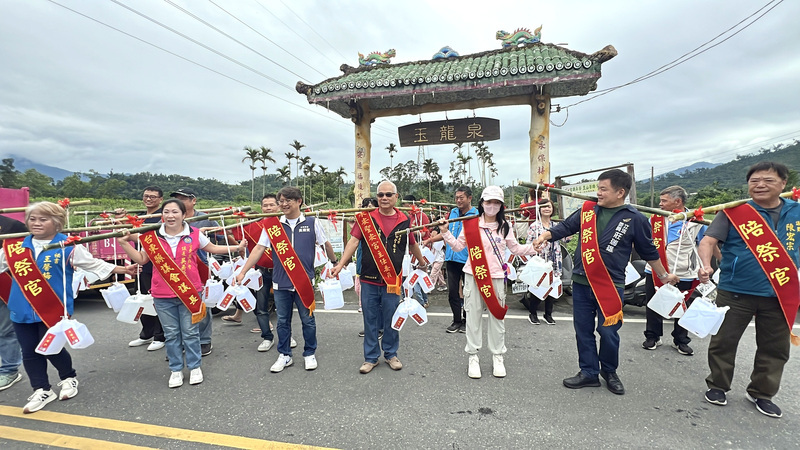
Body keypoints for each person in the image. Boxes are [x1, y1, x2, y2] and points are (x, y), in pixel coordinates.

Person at [532, 169, 678, 395]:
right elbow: (565, 228)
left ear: (620, 192)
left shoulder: (634, 218)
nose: (598, 193)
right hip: (582, 282)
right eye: (597, 188)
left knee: (608, 331)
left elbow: (649, 251)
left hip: (611, 285)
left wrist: (662, 275)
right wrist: (544, 236)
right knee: (583, 330)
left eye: (603, 189)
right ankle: (588, 372)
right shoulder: (588, 211)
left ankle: (609, 371)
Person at [0, 202, 134, 413]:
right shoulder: (14, 247)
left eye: (43, 219)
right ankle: (41, 389)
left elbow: (94, 264)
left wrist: (124, 269)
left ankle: (68, 377)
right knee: (29, 351)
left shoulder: (68, 246)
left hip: (52, 307)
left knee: (50, 347)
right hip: (21, 308)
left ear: (57, 222)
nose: (36, 223)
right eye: (32, 219)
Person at [698, 162, 800, 419]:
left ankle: (762, 393)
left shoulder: (797, 213)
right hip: (735, 290)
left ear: (783, 184)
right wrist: (706, 265)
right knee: (724, 341)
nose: (760, 185)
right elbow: (708, 240)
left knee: (775, 347)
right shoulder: (735, 213)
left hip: (780, 292)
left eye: (767, 180)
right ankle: (718, 386)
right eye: (754, 181)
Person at [117, 199, 246, 388]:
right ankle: (176, 370)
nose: (170, 216)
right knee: (171, 334)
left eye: (175, 212)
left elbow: (211, 248)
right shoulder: (152, 237)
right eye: (166, 212)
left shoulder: (194, 234)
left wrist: (236, 248)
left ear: (184, 215)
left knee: (191, 332)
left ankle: (195, 367)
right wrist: (124, 244)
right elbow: (143, 259)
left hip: (191, 292)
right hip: (162, 294)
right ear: (162, 215)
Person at [438, 186, 537, 379]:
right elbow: (458, 247)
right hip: (473, 276)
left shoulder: (505, 227)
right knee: (473, 317)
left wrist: (535, 247)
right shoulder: (470, 224)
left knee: (497, 318)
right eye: (488, 202)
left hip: (497, 277)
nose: (492, 206)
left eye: (496, 203)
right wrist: (445, 232)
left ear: (501, 205)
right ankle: (473, 356)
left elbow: (515, 249)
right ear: (482, 203)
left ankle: (497, 356)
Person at [235, 187, 336, 373]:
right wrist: (243, 271)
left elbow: (325, 243)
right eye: (281, 200)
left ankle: (309, 353)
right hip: (280, 281)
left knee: (308, 320)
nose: (284, 204)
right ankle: (284, 355)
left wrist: (335, 263)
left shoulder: (312, 222)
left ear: (299, 202)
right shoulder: (272, 225)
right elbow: (258, 249)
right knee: (282, 320)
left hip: (304, 281)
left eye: (288, 200)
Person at [331, 181, 427, 374]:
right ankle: (371, 357)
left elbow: (412, 243)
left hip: (392, 280)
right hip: (368, 278)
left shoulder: (404, 220)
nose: (384, 198)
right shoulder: (365, 219)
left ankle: (391, 354)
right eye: (381, 195)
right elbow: (353, 241)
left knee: (392, 317)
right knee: (370, 319)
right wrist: (340, 264)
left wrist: (422, 262)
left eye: (388, 195)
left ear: (396, 197)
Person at [170, 188, 242, 357]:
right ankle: (180, 342)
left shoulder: (203, 219)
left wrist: (237, 248)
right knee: (177, 307)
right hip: (175, 270)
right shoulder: (169, 220)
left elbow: (222, 236)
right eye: (176, 199)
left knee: (202, 304)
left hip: (199, 266)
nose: (179, 202)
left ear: (193, 200)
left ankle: (204, 340)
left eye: (183, 198)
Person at [642, 185, 706, 355]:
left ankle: (681, 340)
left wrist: (705, 266)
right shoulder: (655, 218)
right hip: (656, 270)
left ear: (677, 201)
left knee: (682, 306)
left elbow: (704, 244)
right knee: (654, 304)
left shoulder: (696, 221)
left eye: (664, 200)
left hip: (684, 271)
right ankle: (652, 336)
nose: (660, 204)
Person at [424, 186, 477, 333]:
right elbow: (447, 233)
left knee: (469, 292)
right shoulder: (453, 213)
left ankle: (467, 321)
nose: (458, 200)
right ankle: (456, 320)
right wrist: (431, 239)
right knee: (453, 292)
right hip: (451, 258)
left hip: (468, 259)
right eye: (457, 197)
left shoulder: (476, 215)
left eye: (462, 197)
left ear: (469, 198)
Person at [120, 186, 166, 352]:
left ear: (160, 199)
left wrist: (124, 231)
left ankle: (160, 335)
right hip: (141, 263)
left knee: (158, 300)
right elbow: (132, 234)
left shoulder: (162, 217)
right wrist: (122, 222)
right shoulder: (139, 217)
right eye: (146, 196)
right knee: (142, 298)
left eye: (153, 197)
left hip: (158, 264)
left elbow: (142, 238)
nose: (149, 199)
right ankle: (146, 333)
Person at [521, 197, 563, 325]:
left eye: (549, 206)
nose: (546, 209)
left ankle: (548, 314)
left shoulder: (556, 225)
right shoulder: (535, 226)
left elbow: (566, 239)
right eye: (543, 206)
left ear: (552, 209)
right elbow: (529, 243)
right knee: (538, 286)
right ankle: (533, 313)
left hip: (555, 260)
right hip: (540, 261)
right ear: (539, 209)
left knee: (552, 286)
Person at [0, 214, 27, 392]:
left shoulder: (11, 226)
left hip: (3, 286)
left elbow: (23, 256)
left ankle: (9, 370)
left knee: (5, 331)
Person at [402, 195, 431, 308]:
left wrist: (411, 230)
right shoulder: (409, 216)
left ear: (410, 205)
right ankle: (408, 299)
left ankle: (422, 301)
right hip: (408, 251)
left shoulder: (422, 215)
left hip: (419, 249)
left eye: (404, 205)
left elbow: (423, 233)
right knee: (407, 275)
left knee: (417, 276)